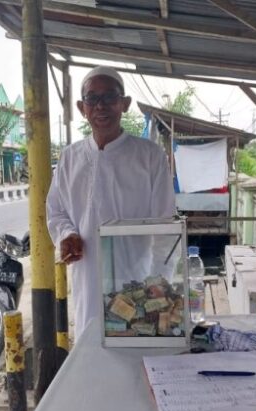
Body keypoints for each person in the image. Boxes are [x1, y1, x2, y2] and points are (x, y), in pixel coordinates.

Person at [46, 66, 176, 339]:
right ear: (82, 107)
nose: (101, 106)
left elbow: (165, 225)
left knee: (134, 355)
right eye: (92, 99)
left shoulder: (149, 156)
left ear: (124, 104)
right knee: (91, 350)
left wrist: (158, 285)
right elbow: (56, 211)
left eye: (110, 97)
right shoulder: (70, 158)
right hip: (87, 281)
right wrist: (67, 234)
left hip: (137, 282)